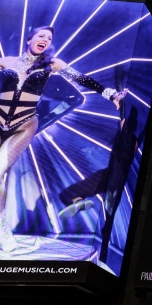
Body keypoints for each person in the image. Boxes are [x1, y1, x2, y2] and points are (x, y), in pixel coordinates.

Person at [0, 26, 125, 251]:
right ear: (30, 38)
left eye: (49, 38)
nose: (45, 40)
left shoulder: (51, 64)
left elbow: (82, 80)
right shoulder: (6, 61)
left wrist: (111, 94)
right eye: (41, 35)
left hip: (24, 126)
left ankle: (2, 230)